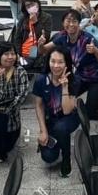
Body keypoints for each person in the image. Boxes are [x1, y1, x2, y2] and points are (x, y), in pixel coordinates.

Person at [44, 10, 98, 122]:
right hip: (79, 77)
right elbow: (44, 50)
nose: (71, 24)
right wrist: (40, 45)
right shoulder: (61, 36)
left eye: (74, 21)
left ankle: (93, 114)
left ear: (79, 23)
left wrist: (95, 50)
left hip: (97, 78)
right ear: (63, 23)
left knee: (90, 113)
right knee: (59, 100)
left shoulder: (88, 38)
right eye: (68, 21)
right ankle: (73, 111)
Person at [32, 48, 79, 177]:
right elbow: (39, 106)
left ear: (67, 63)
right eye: (53, 61)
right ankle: (57, 140)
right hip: (51, 120)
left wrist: (64, 87)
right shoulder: (41, 80)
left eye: (60, 62)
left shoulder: (74, 80)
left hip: (70, 118)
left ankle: (66, 156)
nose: (56, 66)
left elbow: (67, 110)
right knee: (48, 157)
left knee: (61, 128)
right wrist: (43, 131)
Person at [10, 0, 52, 68]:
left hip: (36, 49)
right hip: (23, 49)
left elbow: (46, 37)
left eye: (32, 4)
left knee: (29, 60)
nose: (30, 7)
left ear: (37, 3)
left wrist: (36, 23)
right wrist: (18, 53)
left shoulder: (47, 18)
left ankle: (25, 64)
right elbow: (17, 38)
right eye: (27, 6)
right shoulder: (23, 18)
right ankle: (22, 62)